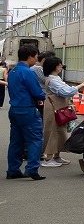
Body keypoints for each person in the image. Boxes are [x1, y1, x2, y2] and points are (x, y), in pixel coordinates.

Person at [41, 56, 84, 168]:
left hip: (58, 108)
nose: (61, 67)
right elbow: (66, 91)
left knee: (60, 131)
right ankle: (48, 158)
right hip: (53, 108)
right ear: (55, 66)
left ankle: (56, 156)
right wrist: (82, 84)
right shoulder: (52, 80)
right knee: (52, 131)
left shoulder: (55, 78)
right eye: (59, 65)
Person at [6, 47, 46, 180]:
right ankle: (32, 169)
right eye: (36, 56)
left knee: (16, 141)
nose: (36, 59)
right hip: (27, 110)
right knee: (35, 139)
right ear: (30, 56)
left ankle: (13, 170)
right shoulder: (28, 73)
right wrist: (43, 96)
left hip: (14, 109)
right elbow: (37, 92)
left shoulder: (13, 71)